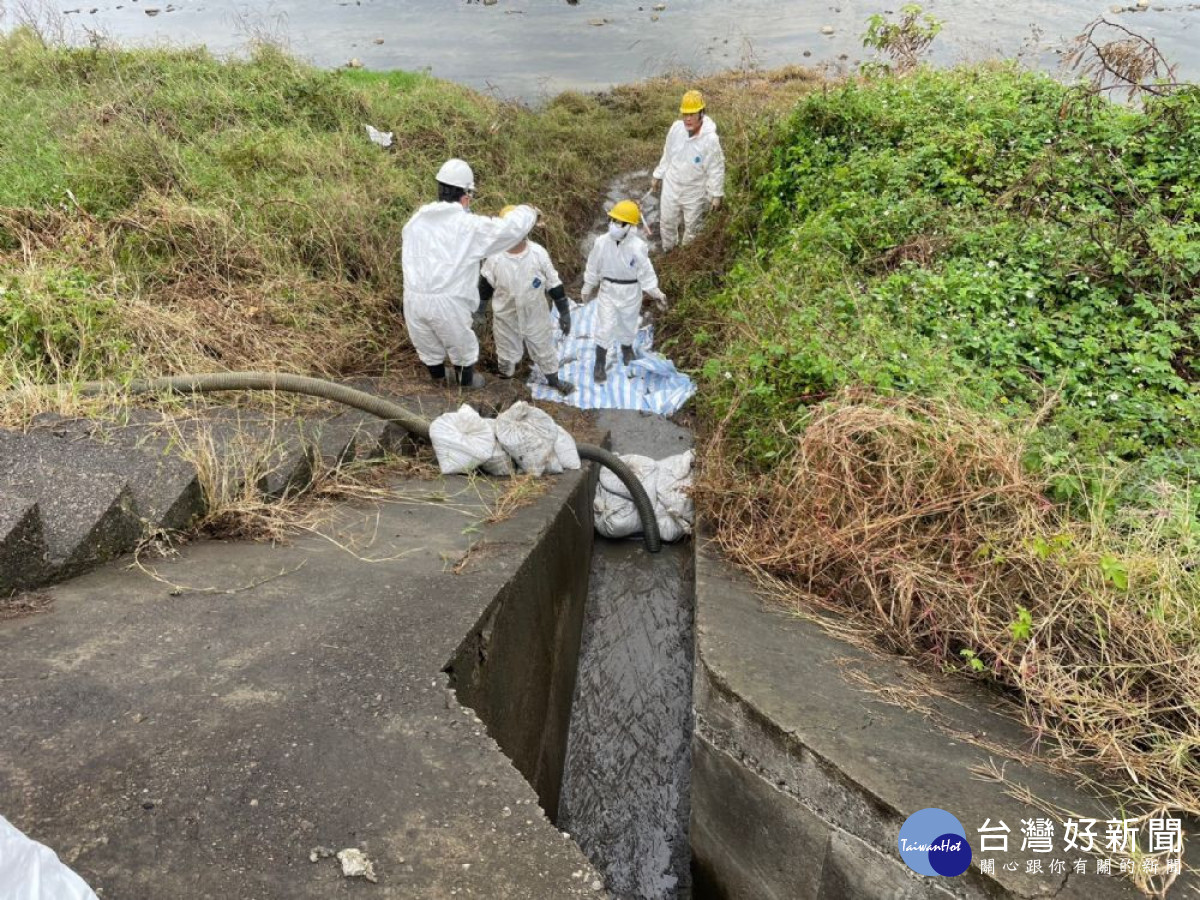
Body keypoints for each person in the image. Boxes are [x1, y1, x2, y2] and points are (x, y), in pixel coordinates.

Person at [401, 158, 538, 389]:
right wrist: (528, 212)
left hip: (413, 299)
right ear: (466, 195)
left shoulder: (416, 220)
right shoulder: (466, 226)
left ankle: (438, 382)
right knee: (462, 346)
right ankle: (466, 386)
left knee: (427, 345)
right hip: (448, 302)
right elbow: (509, 230)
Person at [477, 207, 574, 396]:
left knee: (543, 346)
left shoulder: (538, 254)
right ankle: (506, 380)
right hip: (506, 315)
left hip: (535, 314)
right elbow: (485, 284)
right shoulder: (495, 257)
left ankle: (553, 379)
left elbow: (554, 284)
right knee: (506, 350)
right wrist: (480, 311)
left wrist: (565, 312)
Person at [580, 200, 666, 383]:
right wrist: (588, 287)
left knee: (628, 323)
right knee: (605, 326)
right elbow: (593, 266)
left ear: (630, 226)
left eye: (621, 223)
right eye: (613, 221)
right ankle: (600, 362)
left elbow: (645, 271)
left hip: (630, 291)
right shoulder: (601, 243)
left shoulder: (638, 247)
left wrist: (655, 292)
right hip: (608, 291)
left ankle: (626, 348)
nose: (615, 226)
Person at [651, 89, 725, 252]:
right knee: (667, 222)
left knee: (693, 229)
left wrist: (716, 194)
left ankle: (686, 256)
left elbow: (716, 167)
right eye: (685, 114)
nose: (688, 119)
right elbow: (667, 154)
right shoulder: (676, 129)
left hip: (695, 191)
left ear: (701, 113)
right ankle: (669, 251)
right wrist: (658, 175)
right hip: (672, 185)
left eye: (692, 114)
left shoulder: (710, 139)